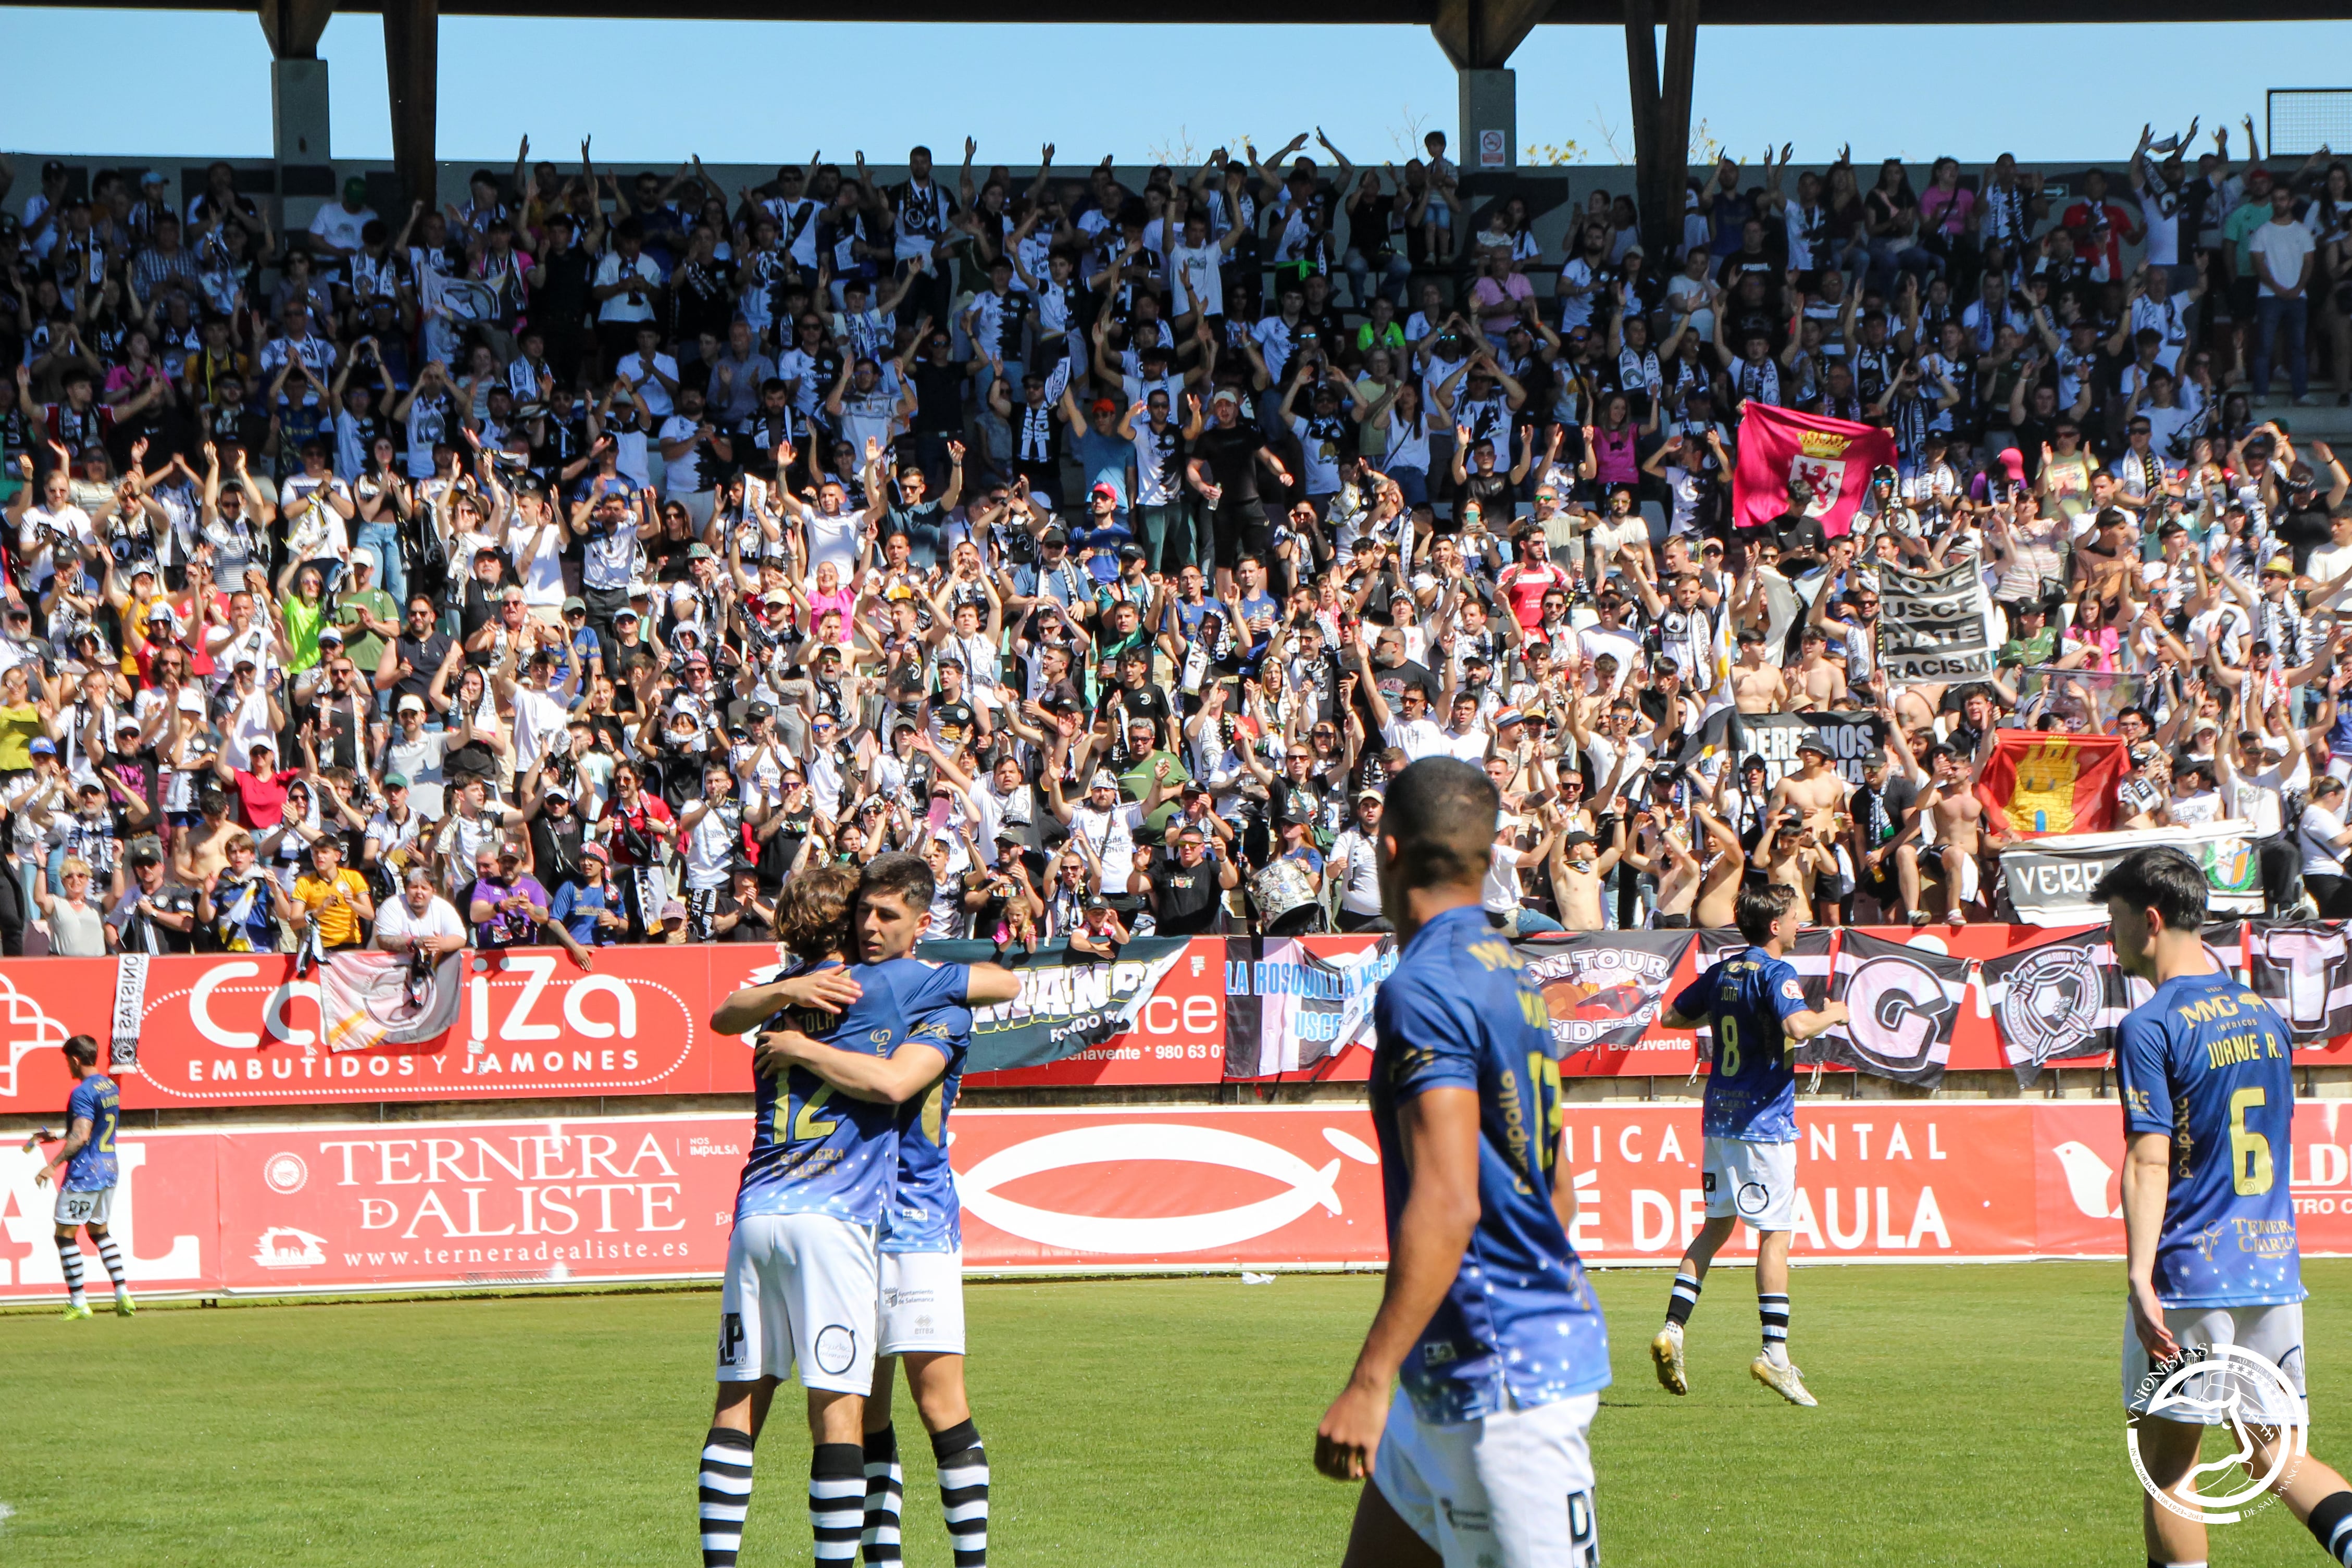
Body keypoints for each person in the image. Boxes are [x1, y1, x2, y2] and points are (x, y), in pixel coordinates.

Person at [1313, 757, 1609, 1568]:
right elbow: (1556, 1183)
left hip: (1501, 1379)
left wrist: (1368, 1380)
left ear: (1387, 846)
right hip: (1456, 1364)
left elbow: (1447, 1200)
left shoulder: (1423, 986)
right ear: (1487, 862)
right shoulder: (1510, 971)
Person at [695, 860, 1010, 1568]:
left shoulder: (913, 991)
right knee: (863, 1409)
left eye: (886, 916)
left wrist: (797, 1027)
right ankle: (881, 1560)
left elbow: (911, 1066)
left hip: (913, 1219)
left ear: (919, 925)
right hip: (848, 1217)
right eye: (862, 914)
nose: (870, 928)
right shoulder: (844, 988)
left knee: (936, 1402)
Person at [2100, 846, 2352, 1567]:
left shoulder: (2149, 1024)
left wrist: (2139, 1278)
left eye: (2113, 919)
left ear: (2148, 920)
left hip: (2189, 1277)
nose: (2108, 936)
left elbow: (2149, 1158)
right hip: (2270, 1269)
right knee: (2272, 1452)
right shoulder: (2260, 1012)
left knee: (2169, 1465)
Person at [1651, 881, 1851, 1407]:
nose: (1800, 922)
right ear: (1774, 926)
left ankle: (1673, 1328)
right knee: (1774, 1236)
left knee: (1716, 1226)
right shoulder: (1776, 971)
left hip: (1717, 1118)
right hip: (1762, 1124)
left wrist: (1728, 1013)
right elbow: (1799, 1025)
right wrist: (1836, 1012)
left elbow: (1672, 1016)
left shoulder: (1723, 971)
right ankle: (1775, 1354)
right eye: (1794, 916)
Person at [20, 1034, 132, 1318]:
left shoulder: (81, 1091)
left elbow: (81, 1136)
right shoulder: (109, 1085)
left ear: (75, 1060)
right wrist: (56, 1135)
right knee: (99, 1231)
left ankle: (79, 1301)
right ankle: (123, 1295)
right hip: (109, 1168)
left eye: (67, 1062)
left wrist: (52, 1164)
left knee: (65, 1236)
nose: (68, 1068)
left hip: (86, 1173)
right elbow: (91, 1128)